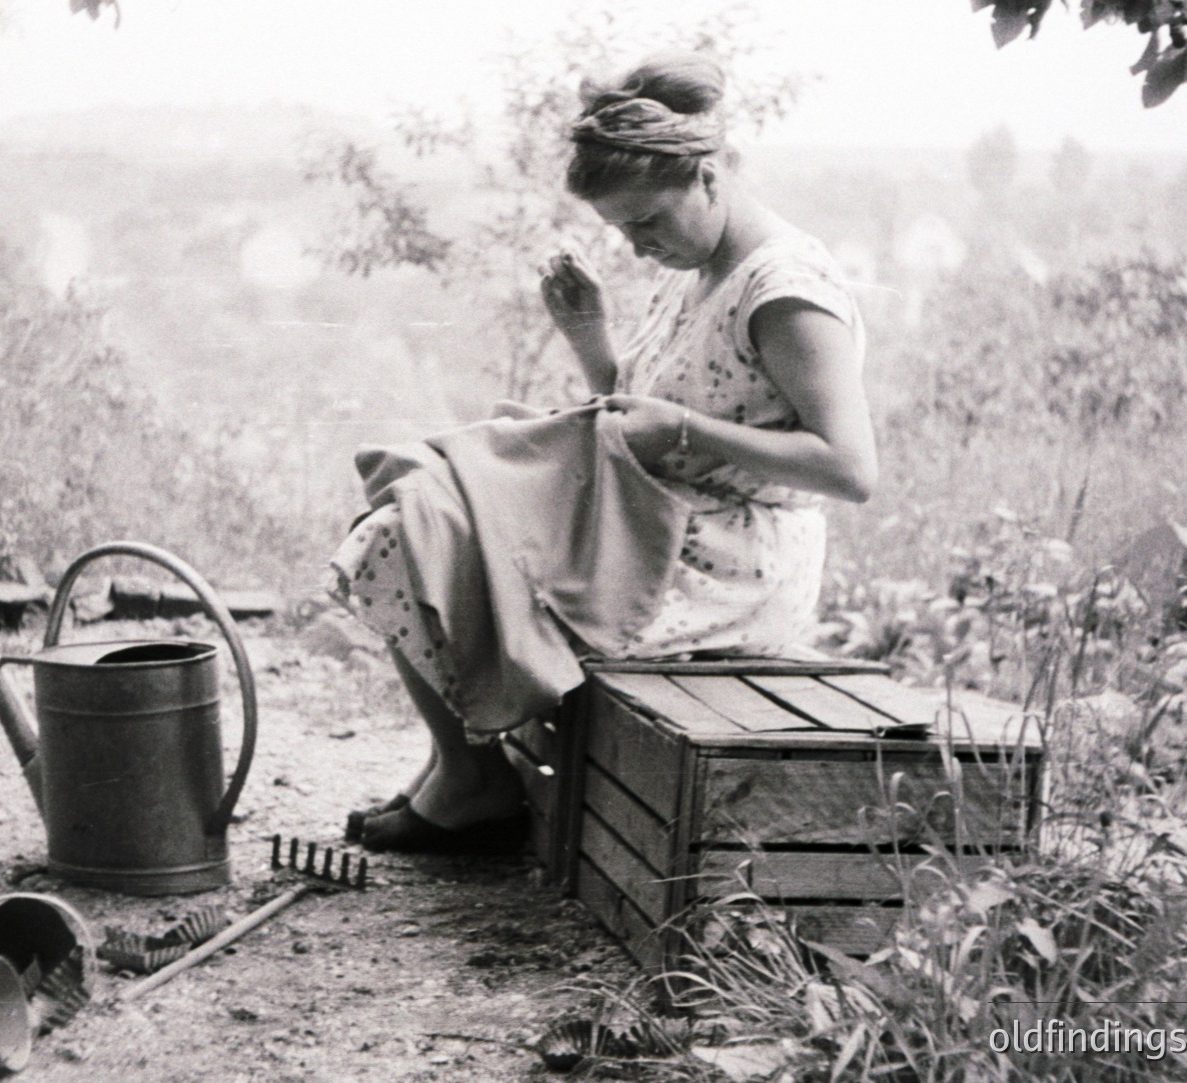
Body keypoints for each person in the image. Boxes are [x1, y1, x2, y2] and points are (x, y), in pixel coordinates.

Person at [328, 51, 877, 854]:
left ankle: (469, 779)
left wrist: (683, 435)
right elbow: (645, 405)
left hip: (721, 565)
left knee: (405, 541)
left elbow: (848, 467)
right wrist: (592, 340)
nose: (637, 246)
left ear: (709, 177)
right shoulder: (695, 267)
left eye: (647, 223)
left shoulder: (784, 293)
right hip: (643, 522)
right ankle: (458, 766)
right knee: (418, 515)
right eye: (623, 230)